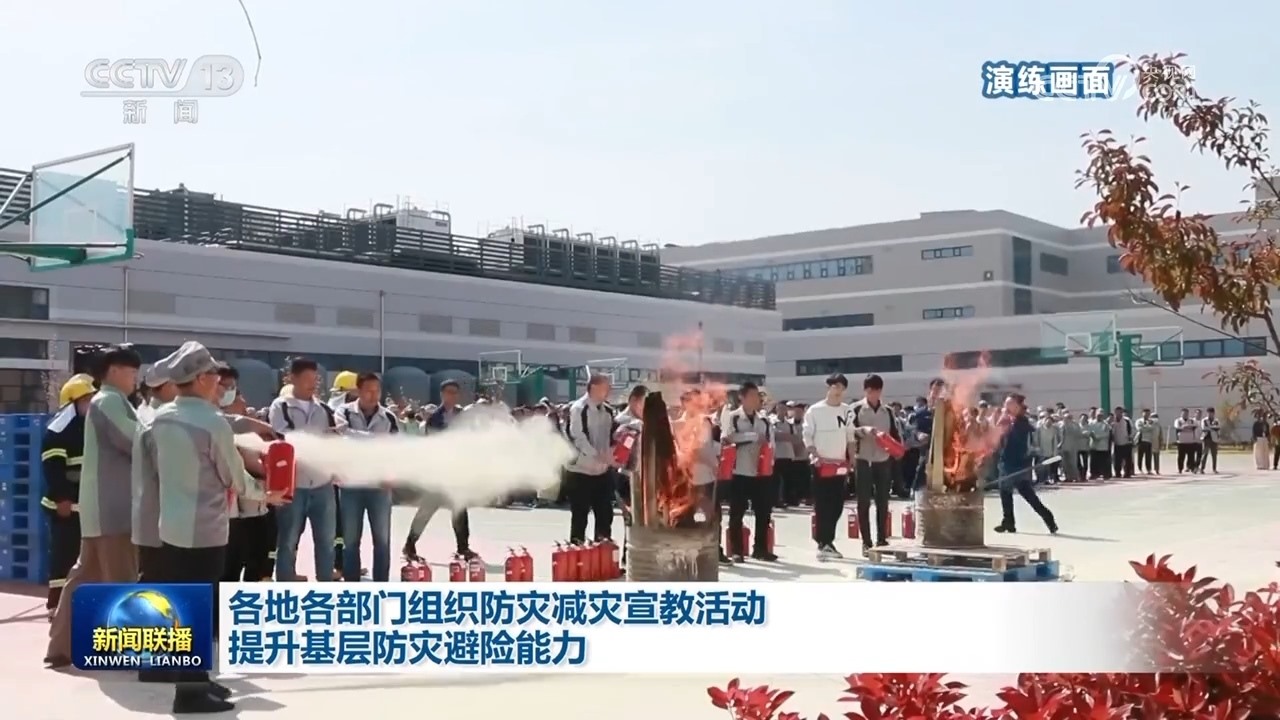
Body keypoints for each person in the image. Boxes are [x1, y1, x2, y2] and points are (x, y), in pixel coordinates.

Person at [141, 341, 285, 713]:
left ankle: (198, 681)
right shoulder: (211, 423)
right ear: (202, 379)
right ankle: (190, 694)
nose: (219, 382)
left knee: (185, 606)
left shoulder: (161, 419)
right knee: (198, 612)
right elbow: (234, 478)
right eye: (215, 376)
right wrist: (268, 495)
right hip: (205, 529)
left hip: (171, 526)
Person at [45, 343, 142, 669]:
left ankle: (61, 647)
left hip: (98, 510)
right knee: (122, 580)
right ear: (114, 371)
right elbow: (137, 440)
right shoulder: (110, 401)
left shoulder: (107, 402)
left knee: (84, 578)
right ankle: (128, 652)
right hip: (114, 511)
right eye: (132, 372)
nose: (136, 379)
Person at [269, 357, 339, 581]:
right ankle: (285, 582)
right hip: (293, 485)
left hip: (322, 483)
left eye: (315, 379)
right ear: (292, 378)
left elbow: (334, 440)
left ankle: (325, 583)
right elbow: (283, 438)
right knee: (288, 540)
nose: (312, 384)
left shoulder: (325, 409)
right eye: (307, 379)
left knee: (326, 540)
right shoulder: (280, 407)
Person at [40, 374, 96, 617]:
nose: (91, 403)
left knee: (84, 558)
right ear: (73, 402)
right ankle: (56, 605)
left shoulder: (88, 426)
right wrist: (62, 498)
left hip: (85, 505)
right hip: (65, 507)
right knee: (64, 555)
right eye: (86, 399)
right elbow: (53, 468)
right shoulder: (59, 431)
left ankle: (80, 602)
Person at [333, 372, 398, 581]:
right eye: (368, 390)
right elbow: (342, 436)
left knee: (382, 540)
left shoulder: (389, 417)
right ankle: (352, 582)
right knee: (351, 540)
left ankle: (381, 584)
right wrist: (377, 440)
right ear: (358, 391)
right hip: (350, 485)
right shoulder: (343, 412)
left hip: (380, 485)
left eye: (377, 390)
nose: (373, 395)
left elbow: (397, 449)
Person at [404, 379, 475, 560]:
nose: (452, 396)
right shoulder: (434, 418)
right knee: (427, 509)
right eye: (449, 392)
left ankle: (463, 547)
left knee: (460, 510)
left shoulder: (462, 415)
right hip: (439, 472)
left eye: (455, 392)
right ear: (442, 394)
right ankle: (410, 544)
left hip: (456, 471)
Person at [720, 381, 776, 562]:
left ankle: (760, 548)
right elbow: (727, 437)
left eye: (756, 396)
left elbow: (770, 441)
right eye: (751, 396)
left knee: (763, 511)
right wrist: (751, 436)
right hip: (740, 470)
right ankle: (737, 550)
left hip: (760, 471)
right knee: (737, 511)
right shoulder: (733, 417)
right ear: (741, 398)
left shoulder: (764, 420)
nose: (755, 399)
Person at [803, 373, 854, 560]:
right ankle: (823, 542)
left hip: (839, 463)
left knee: (837, 504)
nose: (838, 391)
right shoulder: (815, 410)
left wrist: (852, 458)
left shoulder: (847, 410)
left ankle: (827, 541)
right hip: (821, 463)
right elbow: (807, 434)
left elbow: (850, 436)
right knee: (822, 504)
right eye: (835, 386)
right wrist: (813, 453)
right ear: (829, 387)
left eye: (841, 387)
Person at [848, 374, 900, 553]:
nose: (873, 394)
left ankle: (882, 538)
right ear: (865, 390)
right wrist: (863, 431)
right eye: (870, 390)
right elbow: (848, 432)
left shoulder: (888, 411)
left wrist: (895, 449)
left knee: (883, 501)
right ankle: (866, 541)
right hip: (863, 458)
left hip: (882, 459)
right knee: (863, 501)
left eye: (877, 390)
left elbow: (895, 434)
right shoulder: (855, 409)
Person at [563, 374, 618, 545]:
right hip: (580, 471)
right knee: (580, 517)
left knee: (605, 515)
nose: (608, 391)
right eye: (605, 387)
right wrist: (595, 454)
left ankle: (602, 551)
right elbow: (576, 436)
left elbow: (613, 436)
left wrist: (612, 453)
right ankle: (576, 552)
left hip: (602, 471)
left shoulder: (608, 411)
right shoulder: (578, 408)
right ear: (593, 387)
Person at [994, 393, 1058, 535]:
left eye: (1009, 404)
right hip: (1007, 462)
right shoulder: (1009, 420)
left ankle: (1047, 517)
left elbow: (1018, 443)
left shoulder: (1022, 423)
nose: (1006, 406)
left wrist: (1004, 424)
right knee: (1006, 493)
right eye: (1006, 403)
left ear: (1017, 406)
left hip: (1016, 463)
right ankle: (1009, 522)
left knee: (1026, 494)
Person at [1058, 410, 1085, 483]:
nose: (1067, 419)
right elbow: (1059, 435)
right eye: (1066, 417)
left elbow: (1079, 434)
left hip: (1073, 446)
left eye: (1069, 417)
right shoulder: (1061, 424)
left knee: (1073, 463)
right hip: (1064, 446)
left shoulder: (1075, 424)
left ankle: (1076, 477)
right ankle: (1068, 477)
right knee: (1065, 463)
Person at [1110, 406, 1135, 479]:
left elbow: (1132, 429)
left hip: (1126, 442)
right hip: (1117, 443)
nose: (1118, 414)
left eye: (1120, 412)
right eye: (1117, 412)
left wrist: (1130, 437)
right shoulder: (1112, 421)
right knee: (1117, 460)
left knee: (1128, 460)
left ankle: (1127, 473)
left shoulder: (1127, 420)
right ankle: (1118, 473)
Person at [1173, 408, 1198, 473]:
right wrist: (1184, 427)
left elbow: (1195, 426)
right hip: (1181, 441)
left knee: (1191, 456)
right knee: (1181, 456)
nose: (1185, 415)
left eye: (1186, 413)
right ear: (1181, 414)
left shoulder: (1191, 420)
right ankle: (1180, 469)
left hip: (1190, 441)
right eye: (1184, 413)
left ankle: (1192, 468)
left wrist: (1187, 426)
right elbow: (1177, 427)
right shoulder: (1178, 420)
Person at [1135, 408, 1158, 474]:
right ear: (1142, 413)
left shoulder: (1151, 421)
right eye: (1145, 413)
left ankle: (1149, 469)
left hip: (1149, 440)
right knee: (1140, 456)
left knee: (1148, 456)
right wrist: (1148, 428)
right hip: (1141, 440)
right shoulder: (1139, 421)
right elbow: (1140, 429)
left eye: (1148, 413)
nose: (1147, 415)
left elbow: (1153, 428)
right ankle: (1140, 469)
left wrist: (1146, 427)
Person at [1199, 407, 1221, 473]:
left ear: (1213, 413)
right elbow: (1204, 428)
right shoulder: (1204, 420)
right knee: (1204, 454)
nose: (1209, 414)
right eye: (1208, 413)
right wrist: (1213, 428)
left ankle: (1214, 469)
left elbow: (1218, 428)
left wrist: (1210, 428)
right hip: (1206, 438)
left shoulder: (1216, 420)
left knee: (1214, 455)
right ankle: (1202, 468)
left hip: (1214, 439)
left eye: (1211, 413)